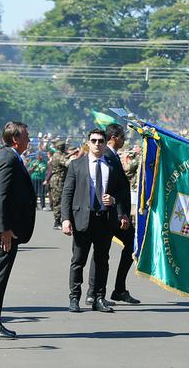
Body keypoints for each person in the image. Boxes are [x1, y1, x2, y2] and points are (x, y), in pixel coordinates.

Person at [61, 129, 130, 313]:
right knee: (78, 260)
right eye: (94, 140)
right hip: (82, 219)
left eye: (101, 141)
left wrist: (115, 202)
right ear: (88, 142)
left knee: (102, 261)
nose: (97, 144)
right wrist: (66, 219)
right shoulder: (77, 165)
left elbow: (121, 192)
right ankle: (74, 297)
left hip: (104, 220)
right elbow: (67, 193)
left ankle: (99, 298)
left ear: (105, 142)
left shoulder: (111, 166)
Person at [0, 121, 36, 339]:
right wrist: (4, 230)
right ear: (16, 139)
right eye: (26, 136)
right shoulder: (7, 158)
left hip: (6, 229)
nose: (29, 140)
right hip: (3, 232)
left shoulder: (11, 157)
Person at [85, 124, 140, 306]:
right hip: (109, 215)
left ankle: (113, 290)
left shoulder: (112, 156)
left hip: (115, 213)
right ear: (114, 137)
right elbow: (110, 189)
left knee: (123, 247)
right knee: (102, 253)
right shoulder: (106, 156)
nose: (124, 140)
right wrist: (122, 214)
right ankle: (96, 293)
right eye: (122, 137)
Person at [50, 140, 69, 229]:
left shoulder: (59, 154)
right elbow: (67, 163)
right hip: (58, 181)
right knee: (58, 201)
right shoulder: (58, 155)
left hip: (59, 180)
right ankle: (57, 222)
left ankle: (59, 220)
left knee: (60, 200)